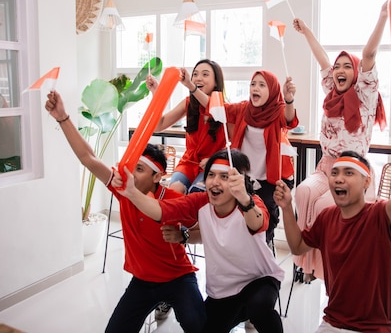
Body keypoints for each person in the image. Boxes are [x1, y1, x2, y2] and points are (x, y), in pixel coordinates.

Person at [44, 90, 205, 333]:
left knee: (199, 326)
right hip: (142, 281)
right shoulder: (123, 189)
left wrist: (182, 236)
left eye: (139, 168)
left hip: (178, 279)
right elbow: (88, 158)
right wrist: (63, 117)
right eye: (131, 165)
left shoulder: (173, 199)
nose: (130, 171)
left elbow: (202, 229)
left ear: (157, 177)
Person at [274, 131, 391, 333]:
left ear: (366, 182)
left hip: (375, 328)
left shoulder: (379, 215)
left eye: (349, 173)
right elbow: (297, 247)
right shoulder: (327, 217)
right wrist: (287, 207)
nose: (339, 179)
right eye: (334, 173)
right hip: (333, 321)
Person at [116, 149, 285, 333]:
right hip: (223, 291)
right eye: (211, 175)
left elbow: (258, 222)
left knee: (259, 306)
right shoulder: (200, 202)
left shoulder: (252, 202)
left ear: (239, 181)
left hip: (259, 280)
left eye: (224, 176)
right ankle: (244, 312)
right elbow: (160, 209)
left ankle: (252, 313)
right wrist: (132, 192)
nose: (215, 181)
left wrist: (245, 200)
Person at [291, 1, 388, 282]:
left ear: (357, 74)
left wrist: (382, 16)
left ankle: (328, 270)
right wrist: (306, 30)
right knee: (303, 193)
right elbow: (322, 59)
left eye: (347, 66)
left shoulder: (365, 96)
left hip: (354, 171)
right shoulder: (332, 93)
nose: (339, 69)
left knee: (324, 208)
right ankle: (307, 265)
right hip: (326, 167)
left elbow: (369, 53)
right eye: (338, 67)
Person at [224, 70, 299, 244]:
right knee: (236, 218)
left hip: (273, 179)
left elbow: (288, 118)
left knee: (263, 223)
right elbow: (220, 108)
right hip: (247, 177)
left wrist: (289, 99)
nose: (255, 88)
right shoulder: (244, 109)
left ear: (272, 90)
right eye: (253, 84)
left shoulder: (277, 111)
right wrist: (192, 87)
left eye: (261, 84)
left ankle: (264, 254)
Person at [146, 59, 226, 194]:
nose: (198, 78)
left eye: (205, 75)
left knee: (196, 193)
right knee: (174, 192)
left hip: (213, 165)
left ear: (216, 81)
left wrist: (214, 159)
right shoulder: (189, 103)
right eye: (195, 74)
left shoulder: (225, 108)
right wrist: (156, 94)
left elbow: (234, 146)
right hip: (189, 163)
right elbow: (158, 126)